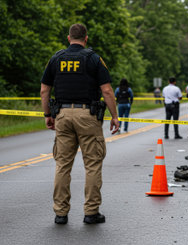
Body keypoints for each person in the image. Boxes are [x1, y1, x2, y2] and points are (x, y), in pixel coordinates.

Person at [40, 24, 119, 225]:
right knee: (92, 164)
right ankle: (91, 212)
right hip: (87, 116)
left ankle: (60, 213)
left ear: (68, 38)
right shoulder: (93, 59)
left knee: (62, 165)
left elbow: (44, 89)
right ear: (86, 38)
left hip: (63, 115)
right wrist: (115, 117)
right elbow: (107, 91)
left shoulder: (56, 59)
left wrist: (47, 114)